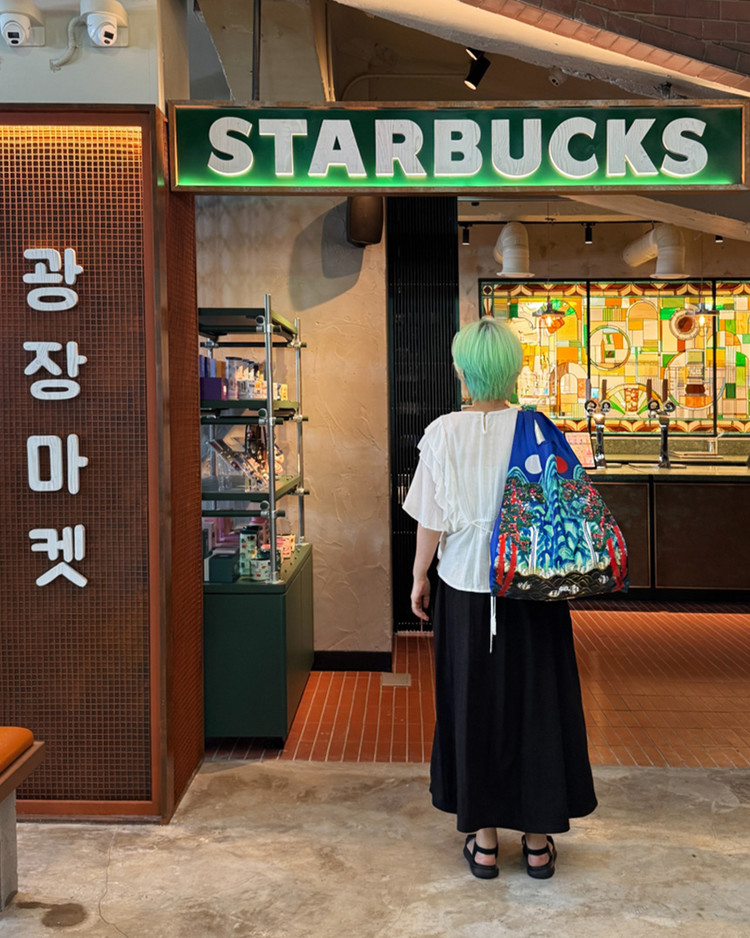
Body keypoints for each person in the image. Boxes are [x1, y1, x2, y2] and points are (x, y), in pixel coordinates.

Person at [402, 316, 597, 881]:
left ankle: (484, 841)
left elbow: (430, 520)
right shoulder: (538, 428)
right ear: (513, 372)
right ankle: (536, 842)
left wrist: (419, 577)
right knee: (538, 705)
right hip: (533, 590)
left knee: (472, 705)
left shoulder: (442, 433)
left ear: (463, 372)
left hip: (465, 589)